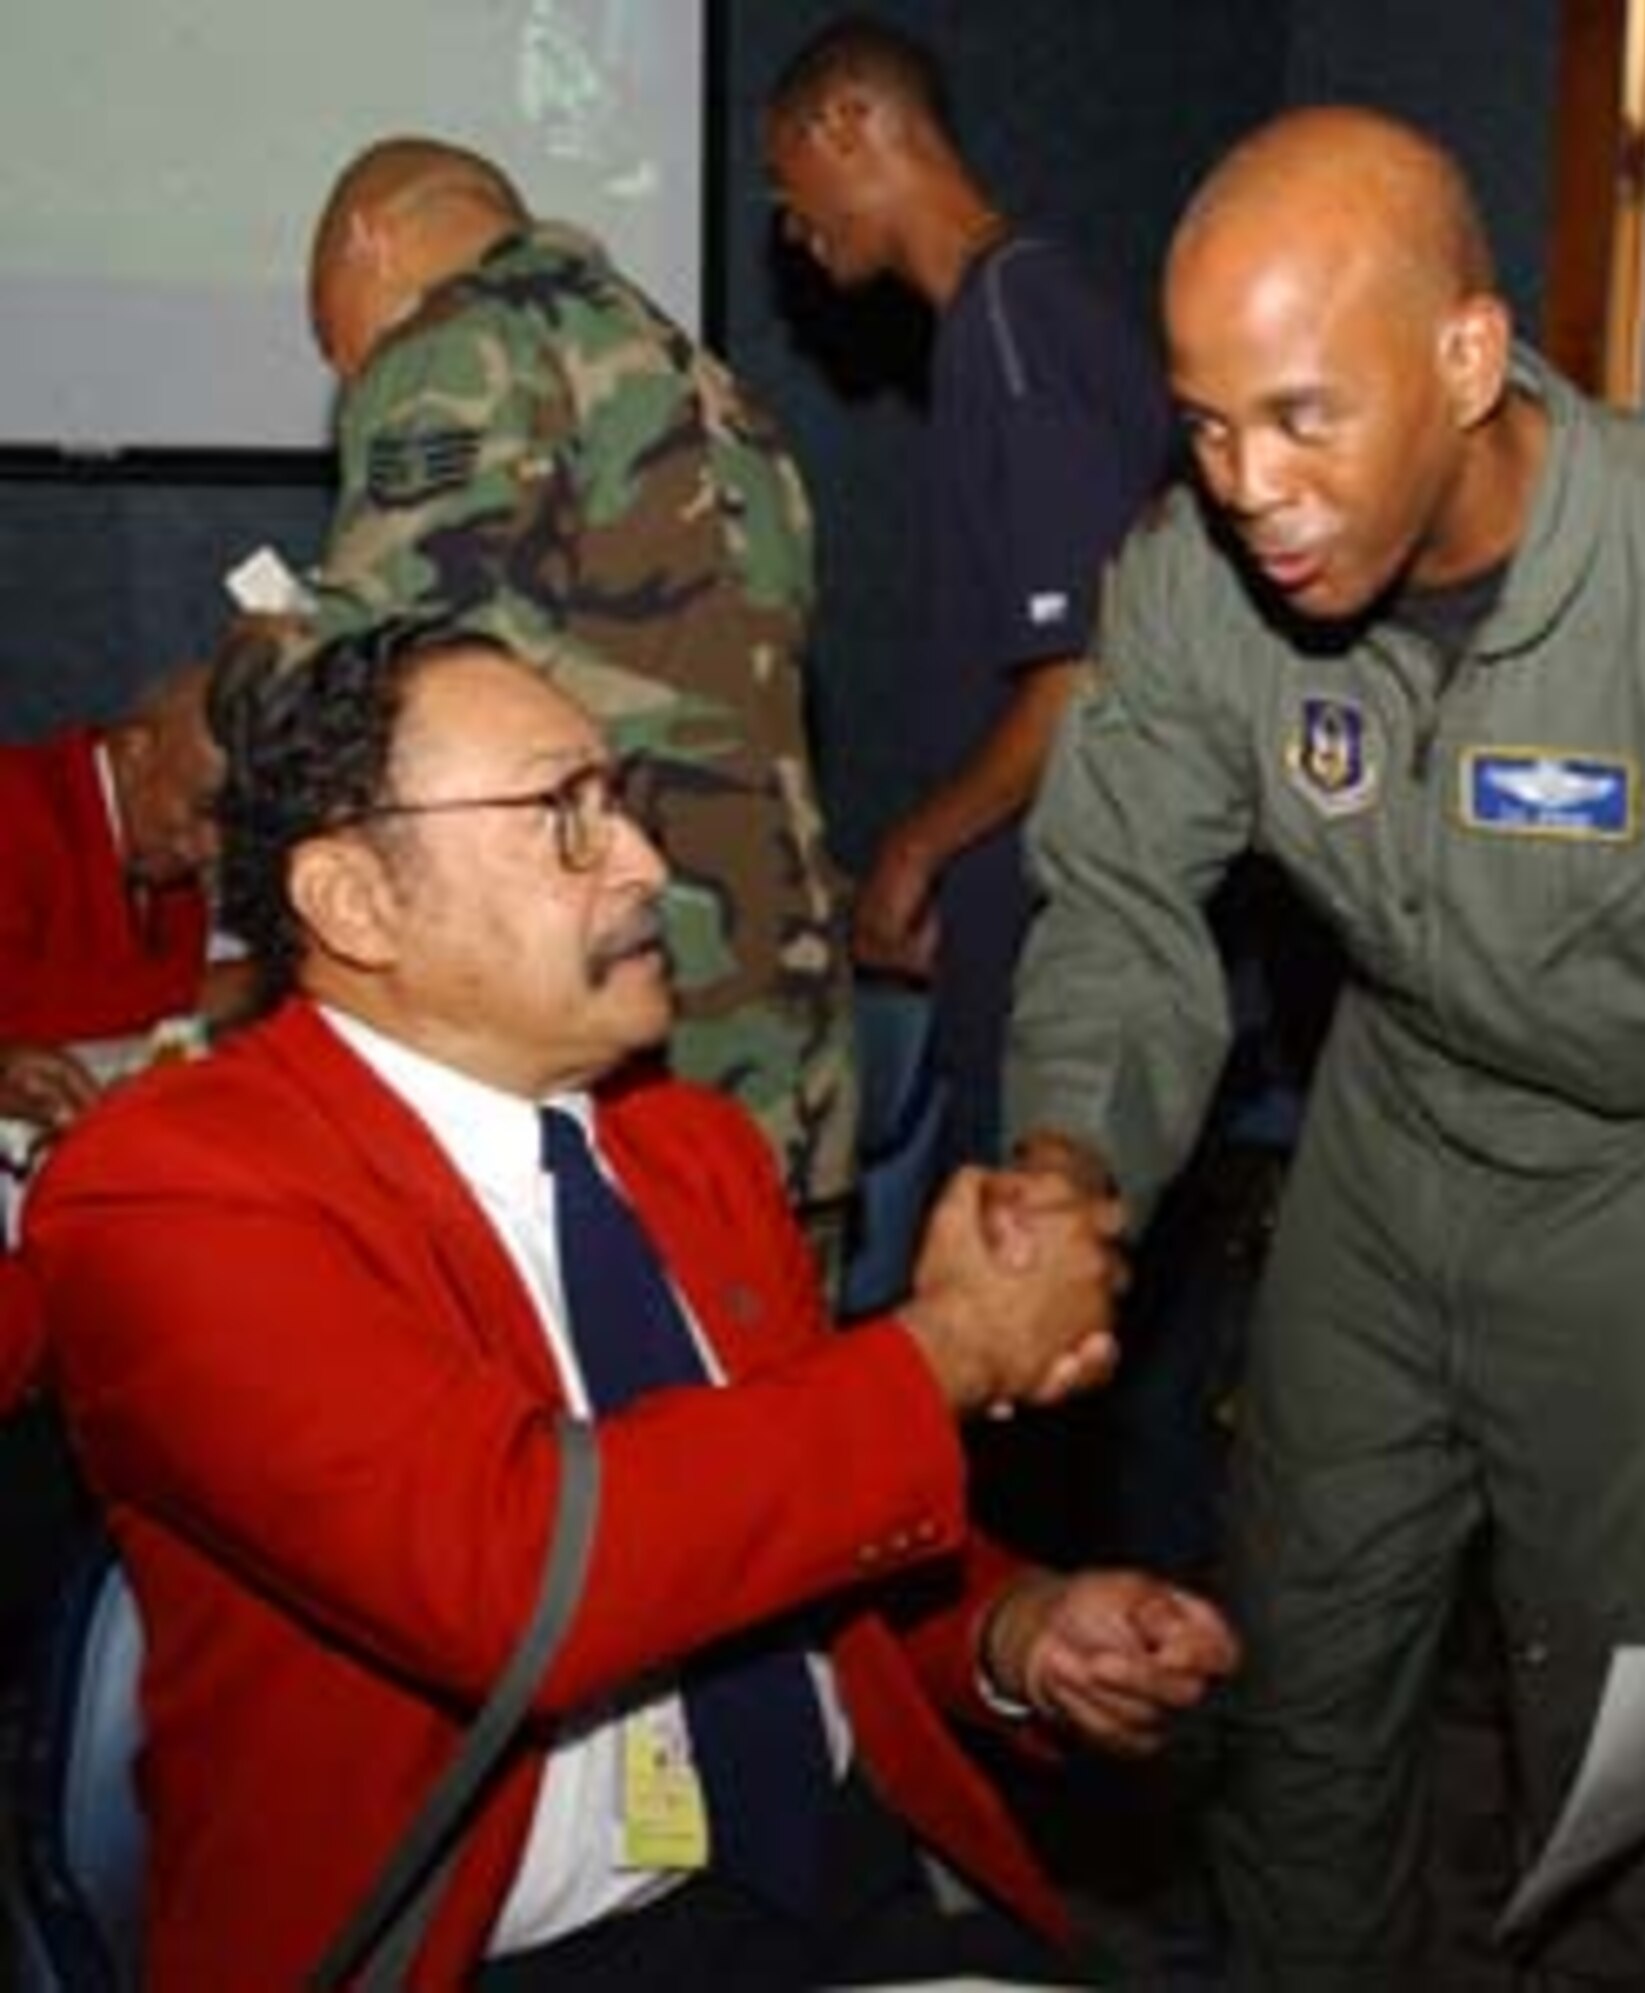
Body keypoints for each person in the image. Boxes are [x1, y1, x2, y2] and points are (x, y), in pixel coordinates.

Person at [1003, 106, 1645, 1988]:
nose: (1251, 487)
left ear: (1467, 358)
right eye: (1208, 425)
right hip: (1386, 1148)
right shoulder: (1200, 587)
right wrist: (1071, 1160)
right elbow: (1125, 904)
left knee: (1640, 1757)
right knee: (1296, 1684)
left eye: (1305, 416)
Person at [25, 618, 1238, 1989]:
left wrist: (1015, 1633)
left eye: (619, 803)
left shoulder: (690, 1148)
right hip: (502, 1950)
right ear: (356, 902)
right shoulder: (165, 1194)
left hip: (840, 1884)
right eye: (562, 818)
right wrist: (948, 1351)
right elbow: (517, 1571)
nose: (650, 864)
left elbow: (783, 1522)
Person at [295, 136, 856, 1231]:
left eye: (335, 342)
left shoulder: (455, 348)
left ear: (367, 241)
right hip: (782, 1031)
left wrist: (260, 662)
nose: (351, 378)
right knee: (785, 1394)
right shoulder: (714, 385)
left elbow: (383, 702)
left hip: (602, 1029)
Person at [764, 16, 1175, 1164]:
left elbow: (1084, 672)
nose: (792, 229)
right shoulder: (998, 318)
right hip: (1019, 922)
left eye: (784, 183)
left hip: (1063, 953)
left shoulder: (1014, 317)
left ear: (849, 124)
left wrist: (915, 847)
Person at [0, 662, 243, 1135]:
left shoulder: (155, 846)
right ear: (136, 748)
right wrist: (196, 991)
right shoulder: (14, 802)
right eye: (202, 809)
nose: (213, 847)